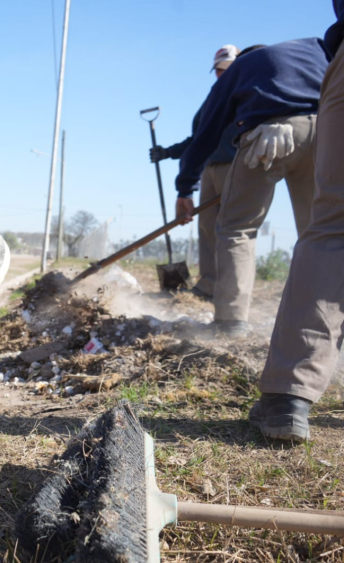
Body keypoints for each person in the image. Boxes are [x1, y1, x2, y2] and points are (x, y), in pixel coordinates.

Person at [174, 39, 328, 338]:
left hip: (268, 135)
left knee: (237, 229)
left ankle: (230, 324)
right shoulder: (319, 48)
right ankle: (319, 327)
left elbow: (204, 136)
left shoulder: (241, 68)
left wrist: (185, 188)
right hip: (327, 131)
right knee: (319, 233)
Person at [250, 1, 344, 442]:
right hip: (308, 123)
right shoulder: (301, 55)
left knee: (333, 228)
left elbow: (210, 123)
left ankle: (290, 393)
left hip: (280, 130)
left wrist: (183, 181)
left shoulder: (247, 68)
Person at [149, 45, 240, 301]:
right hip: (210, 168)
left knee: (233, 231)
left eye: (227, 70)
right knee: (208, 229)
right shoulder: (214, 97)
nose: (221, 75)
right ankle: (209, 287)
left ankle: (231, 294)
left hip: (236, 167)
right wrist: (168, 152)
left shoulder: (244, 92)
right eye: (218, 71)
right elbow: (199, 139)